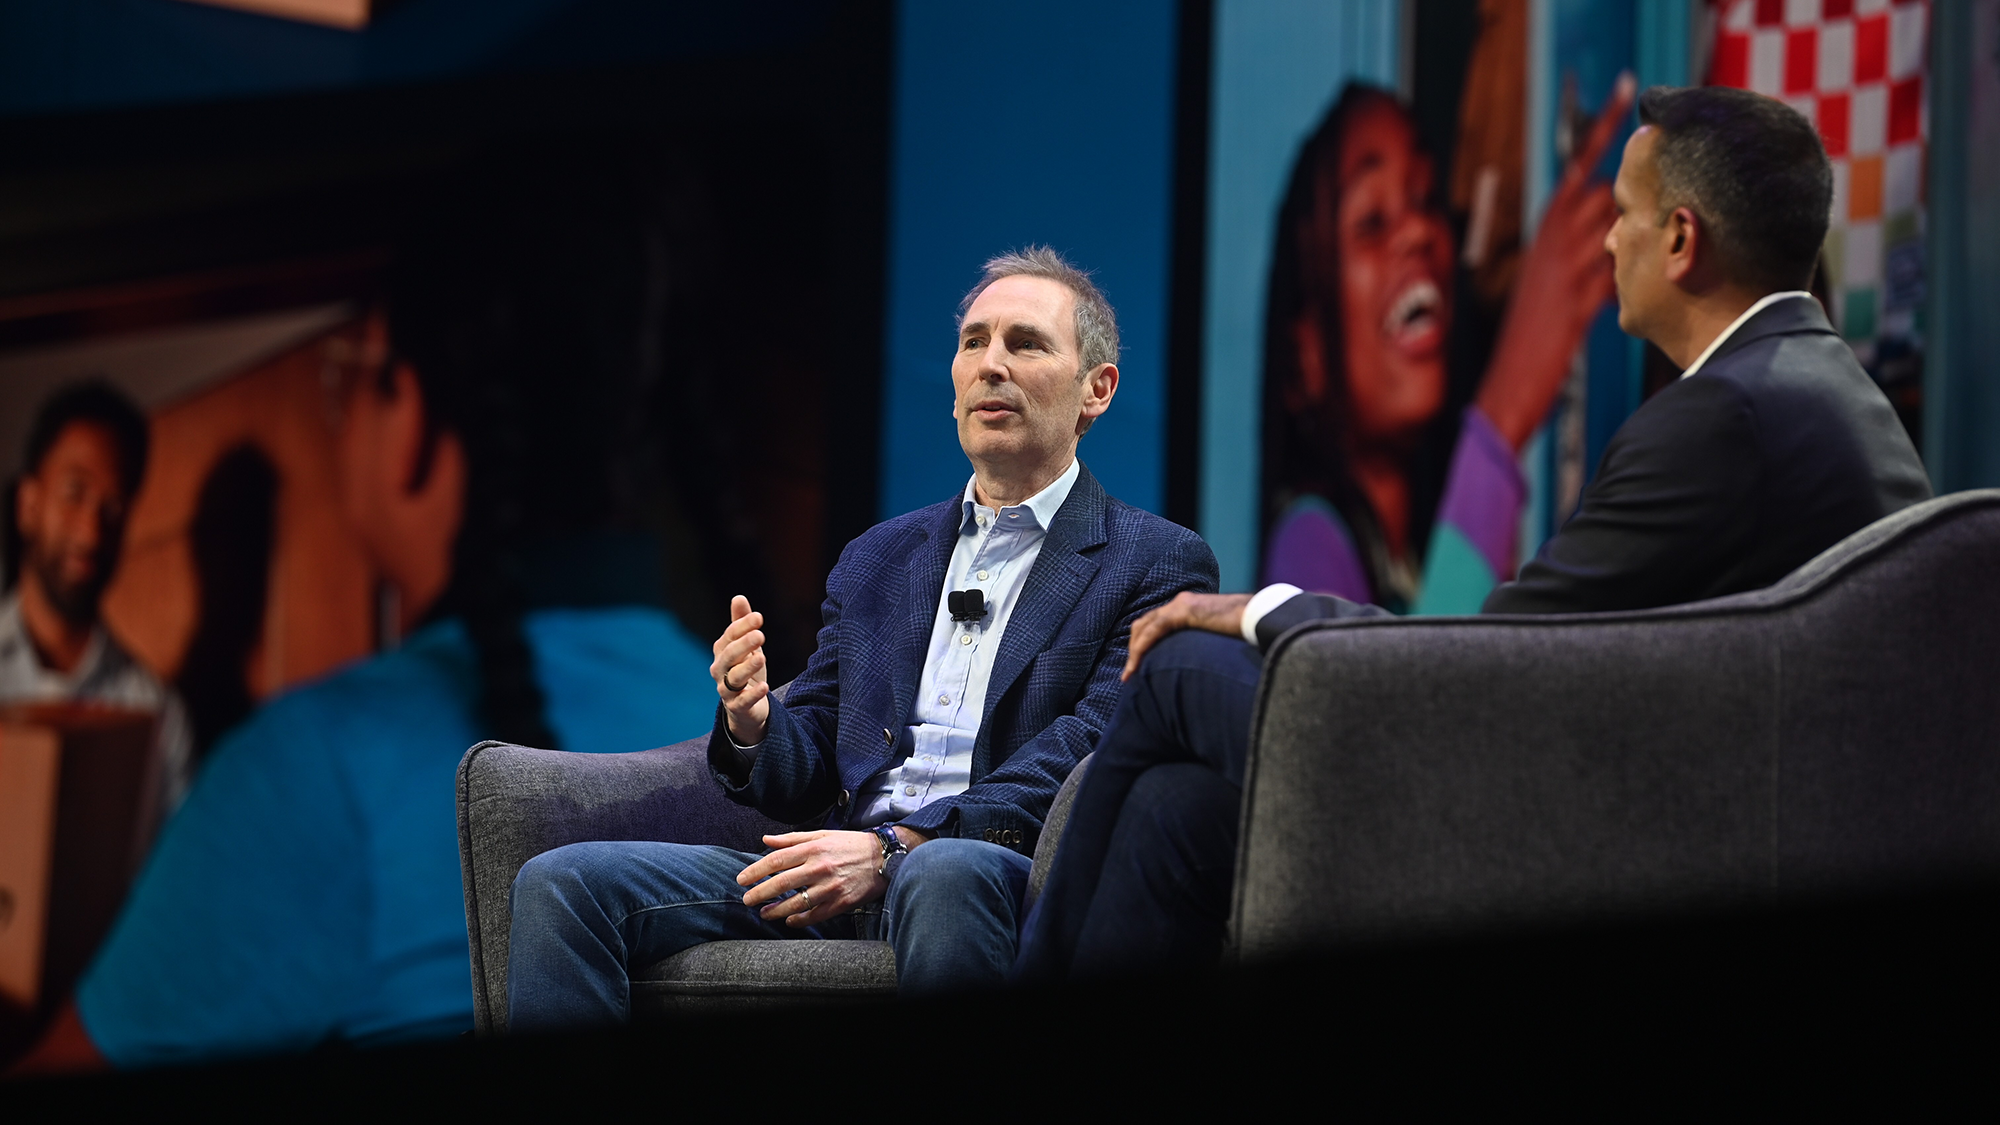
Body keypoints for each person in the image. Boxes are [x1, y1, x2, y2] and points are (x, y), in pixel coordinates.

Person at [1014, 85, 1934, 983]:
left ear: (1683, 241)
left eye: (1623, 214)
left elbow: (1485, 658)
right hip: (1694, 809)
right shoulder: (1835, 397)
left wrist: (1261, 608)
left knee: (1175, 665)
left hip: (1586, 823)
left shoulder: (1720, 417)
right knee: (1177, 816)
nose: (1609, 239)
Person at [14, 151, 720, 1072]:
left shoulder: (314, 765)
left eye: (363, 375)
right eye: (74, 493)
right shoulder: (775, 735)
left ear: (415, 425)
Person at [503, 247, 1218, 1027]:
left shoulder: (1155, 561)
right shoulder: (882, 555)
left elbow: (1092, 748)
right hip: (840, 864)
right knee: (562, 883)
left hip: (997, 870)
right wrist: (753, 722)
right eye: (973, 341)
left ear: (1097, 391)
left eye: (1025, 343)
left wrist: (900, 849)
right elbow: (810, 749)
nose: (991, 364)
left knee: (942, 873)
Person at [1260, 77, 1628, 614]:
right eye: (1372, 222)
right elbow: (1420, 693)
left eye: (1426, 197)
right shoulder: (1307, 547)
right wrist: (1502, 419)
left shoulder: (1420, 557)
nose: (1417, 229)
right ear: (1303, 363)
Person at [1, 381, 192, 836]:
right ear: (29, 504)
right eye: (74, 493)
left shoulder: (156, 716)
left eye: (113, 507)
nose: (90, 532)